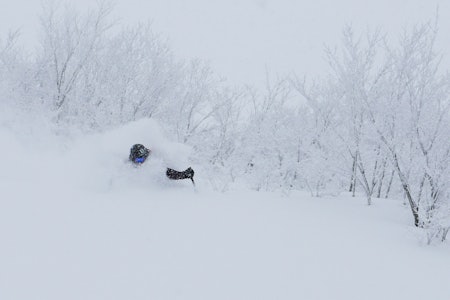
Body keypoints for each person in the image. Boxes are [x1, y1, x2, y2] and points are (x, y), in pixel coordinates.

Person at [129, 144, 195, 184]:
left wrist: (184, 175)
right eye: (137, 160)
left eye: (141, 160)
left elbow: (168, 173)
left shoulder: (153, 161)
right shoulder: (130, 162)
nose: (139, 162)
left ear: (145, 155)